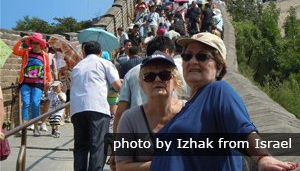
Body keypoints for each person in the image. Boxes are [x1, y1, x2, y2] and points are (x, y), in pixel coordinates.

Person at [150, 32, 299, 171]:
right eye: (187, 56)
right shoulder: (187, 107)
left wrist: (262, 157)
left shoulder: (218, 91)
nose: (193, 61)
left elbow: (242, 128)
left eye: (202, 56)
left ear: (219, 67)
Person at [115, 51, 186, 171]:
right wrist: (165, 163)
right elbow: (122, 167)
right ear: (141, 85)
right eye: (150, 77)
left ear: (175, 82)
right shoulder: (129, 119)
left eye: (164, 75)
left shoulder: (189, 111)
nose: (157, 80)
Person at [70, 41, 122, 171]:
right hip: (97, 107)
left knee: (81, 147)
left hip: (77, 109)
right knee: (97, 145)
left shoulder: (77, 67)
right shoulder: (105, 63)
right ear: (100, 53)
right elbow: (117, 86)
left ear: (84, 52)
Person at [12, 33, 52, 137]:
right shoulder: (26, 52)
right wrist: (21, 41)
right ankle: (24, 127)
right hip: (25, 82)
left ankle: (35, 128)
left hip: (38, 83)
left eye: (37, 43)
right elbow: (15, 51)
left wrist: (50, 80)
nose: (35, 45)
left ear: (41, 44)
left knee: (35, 103)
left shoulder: (45, 55)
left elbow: (47, 70)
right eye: (33, 43)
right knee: (25, 103)